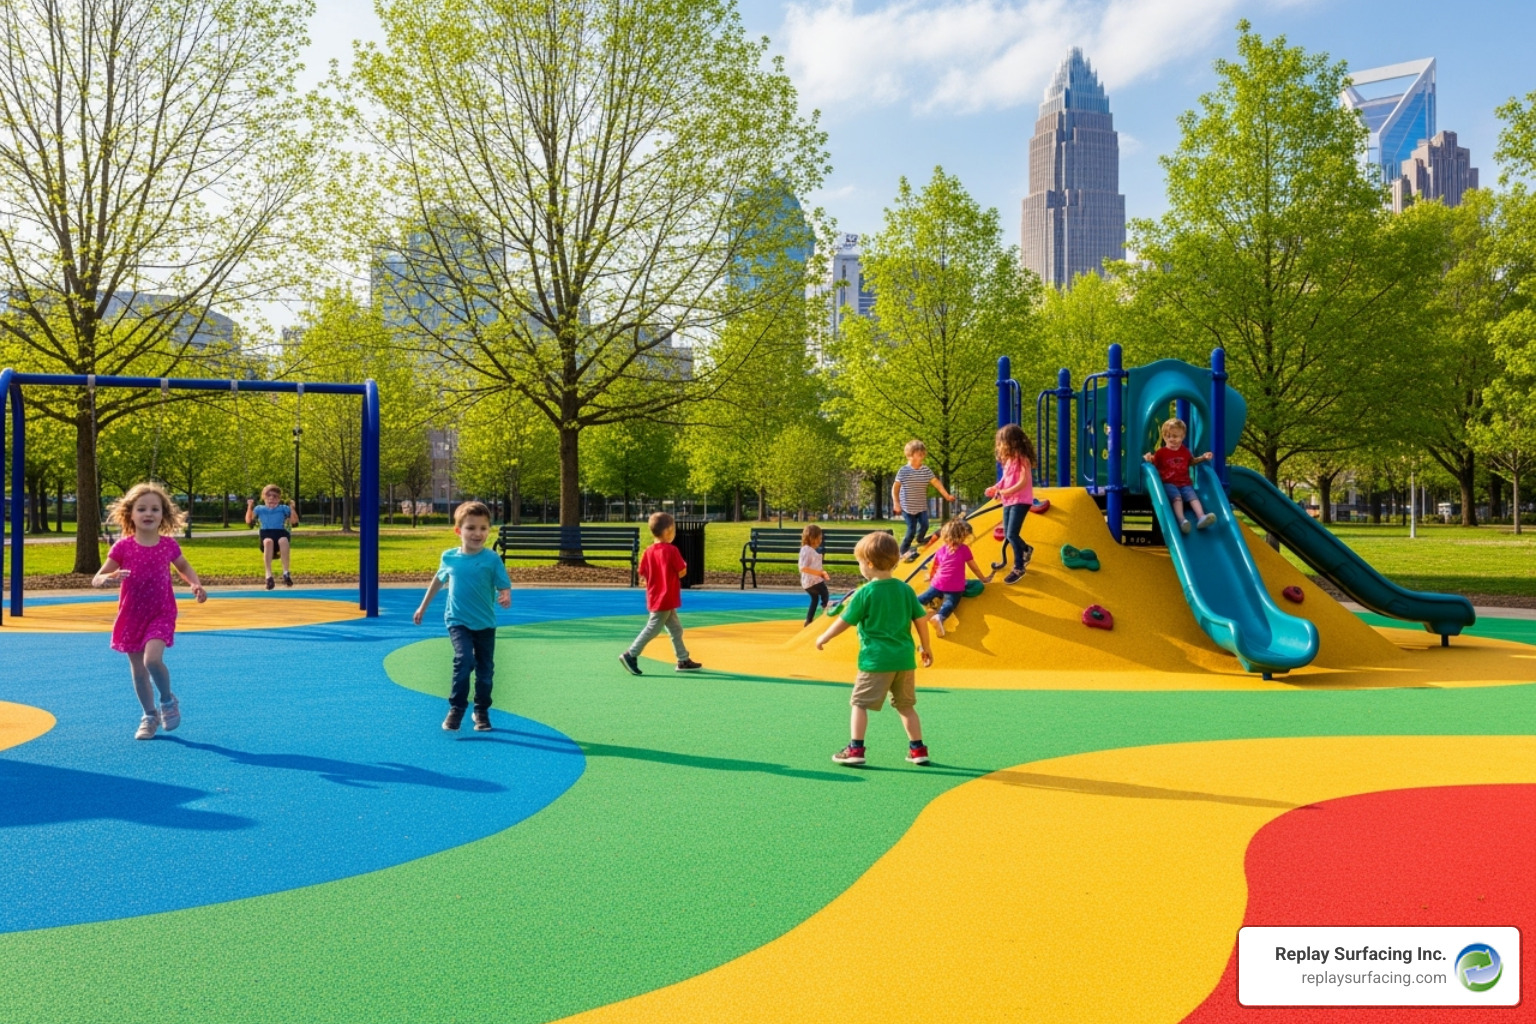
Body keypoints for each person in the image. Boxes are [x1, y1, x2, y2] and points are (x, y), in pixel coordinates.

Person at [91, 482, 208, 740]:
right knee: (138, 670)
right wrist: (108, 577)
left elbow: (184, 567)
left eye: (155, 509)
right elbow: (97, 578)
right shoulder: (122, 547)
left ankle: (167, 700)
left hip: (161, 612)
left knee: (151, 660)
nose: (148, 513)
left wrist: (195, 584)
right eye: (142, 508)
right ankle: (149, 715)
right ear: (130, 514)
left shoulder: (168, 546)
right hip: (131, 616)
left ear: (163, 515)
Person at [816, 531, 933, 766]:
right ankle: (918, 750)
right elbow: (921, 620)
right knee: (906, 706)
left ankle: (856, 749)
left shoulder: (865, 592)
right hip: (903, 660)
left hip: (876, 660)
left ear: (868, 563)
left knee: (859, 704)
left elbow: (845, 621)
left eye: (859, 562)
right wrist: (925, 647)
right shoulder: (905, 590)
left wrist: (824, 637)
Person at [412, 501, 513, 731]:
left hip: (485, 623)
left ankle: (481, 711)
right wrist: (422, 607)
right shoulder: (449, 558)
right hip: (457, 621)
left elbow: (503, 585)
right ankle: (456, 708)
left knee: (485, 672)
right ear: (459, 531)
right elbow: (438, 581)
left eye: (483, 528)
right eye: (471, 528)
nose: (477, 533)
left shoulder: (492, 559)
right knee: (464, 660)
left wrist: (505, 595)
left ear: (489, 530)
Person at [618, 512, 703, 675]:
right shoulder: (671, 550)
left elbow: (642, 573)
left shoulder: (649, 551)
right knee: (653, 627)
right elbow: (682, 571)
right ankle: (631, 654)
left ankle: (683, 659)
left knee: (676, 629)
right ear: (669, 531)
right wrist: (681, 568)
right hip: (666, 597)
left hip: (656, 595)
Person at [917, 518, 993, 637]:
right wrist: (983, 578)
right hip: (955, 586)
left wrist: (931, 577)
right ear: (962, 536)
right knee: (950, 603)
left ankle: (906, 605)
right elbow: (974, 567)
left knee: (925, 596)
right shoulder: (964, 549)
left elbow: (934, 566)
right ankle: (940, 617)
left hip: (938, 583)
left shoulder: (941, 550)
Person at [1143, 417, 1217, 534]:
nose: (1171, 439)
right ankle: (1182, 521)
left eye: (1175, 436)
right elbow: (1154, 461)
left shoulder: (1184, 451)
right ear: (1164, 436)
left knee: (1193, 498)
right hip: (1169, 483)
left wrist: (1203, 457)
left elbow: (1191, 461)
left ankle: (1201, 517)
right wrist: (1148, 459)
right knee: (1177, 498)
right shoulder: (1161, 452)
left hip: (1184, 483)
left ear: (1182, 437)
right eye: (1168, 436)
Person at [985, 424, 1037, 584]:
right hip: (1009, 501)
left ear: (1013, 442)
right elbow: (1005, 479)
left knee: (1012, 534)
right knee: (1008, 534)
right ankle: (1026, 549)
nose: (1000, 446)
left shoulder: (1023, 459)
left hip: (1021, 500)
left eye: (1003, 442)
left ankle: (1019, 567)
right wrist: (996, 488)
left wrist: (1004, 492)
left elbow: (1023, 482)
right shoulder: (1008, 461)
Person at [892, 440, 956, 562]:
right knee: (911, 529)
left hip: (921, 506)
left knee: (925, 525)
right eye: (918, 453)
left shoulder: (926, 470)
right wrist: (896, 503)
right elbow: (895, 488)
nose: (921, 454)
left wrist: (946, 495)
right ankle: (902, 551)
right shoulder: (904, 471)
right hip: (907, 507)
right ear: (910, 455)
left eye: (923, 452)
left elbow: (936, 484)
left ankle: (920, 539)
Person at [245, 484, 299, 590]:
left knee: (283, 540)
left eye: (275, 496)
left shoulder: (284, 508)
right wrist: (249, 506)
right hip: (266, 535)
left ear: (279, 499)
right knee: (268, 541)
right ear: (264, 497)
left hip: (280, 534)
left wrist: (292, 508)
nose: (271, 498)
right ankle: (268, 576)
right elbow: (248, 521)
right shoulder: (259, 509)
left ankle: (286, 573)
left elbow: (294, 522)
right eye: (268, 496)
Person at [799, 523, 832, 627]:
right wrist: (819, 573)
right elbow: (803, 567)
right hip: (813, 581)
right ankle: (826, 613)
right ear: (811, 537)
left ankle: (809, 620)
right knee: (824, 593)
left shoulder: (810, 550)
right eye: (818, 538)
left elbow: (813, 565)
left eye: (821, 538)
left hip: (809, 582)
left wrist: (822, 573)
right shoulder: (806, 550)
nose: (820, 541)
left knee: (815, 599)